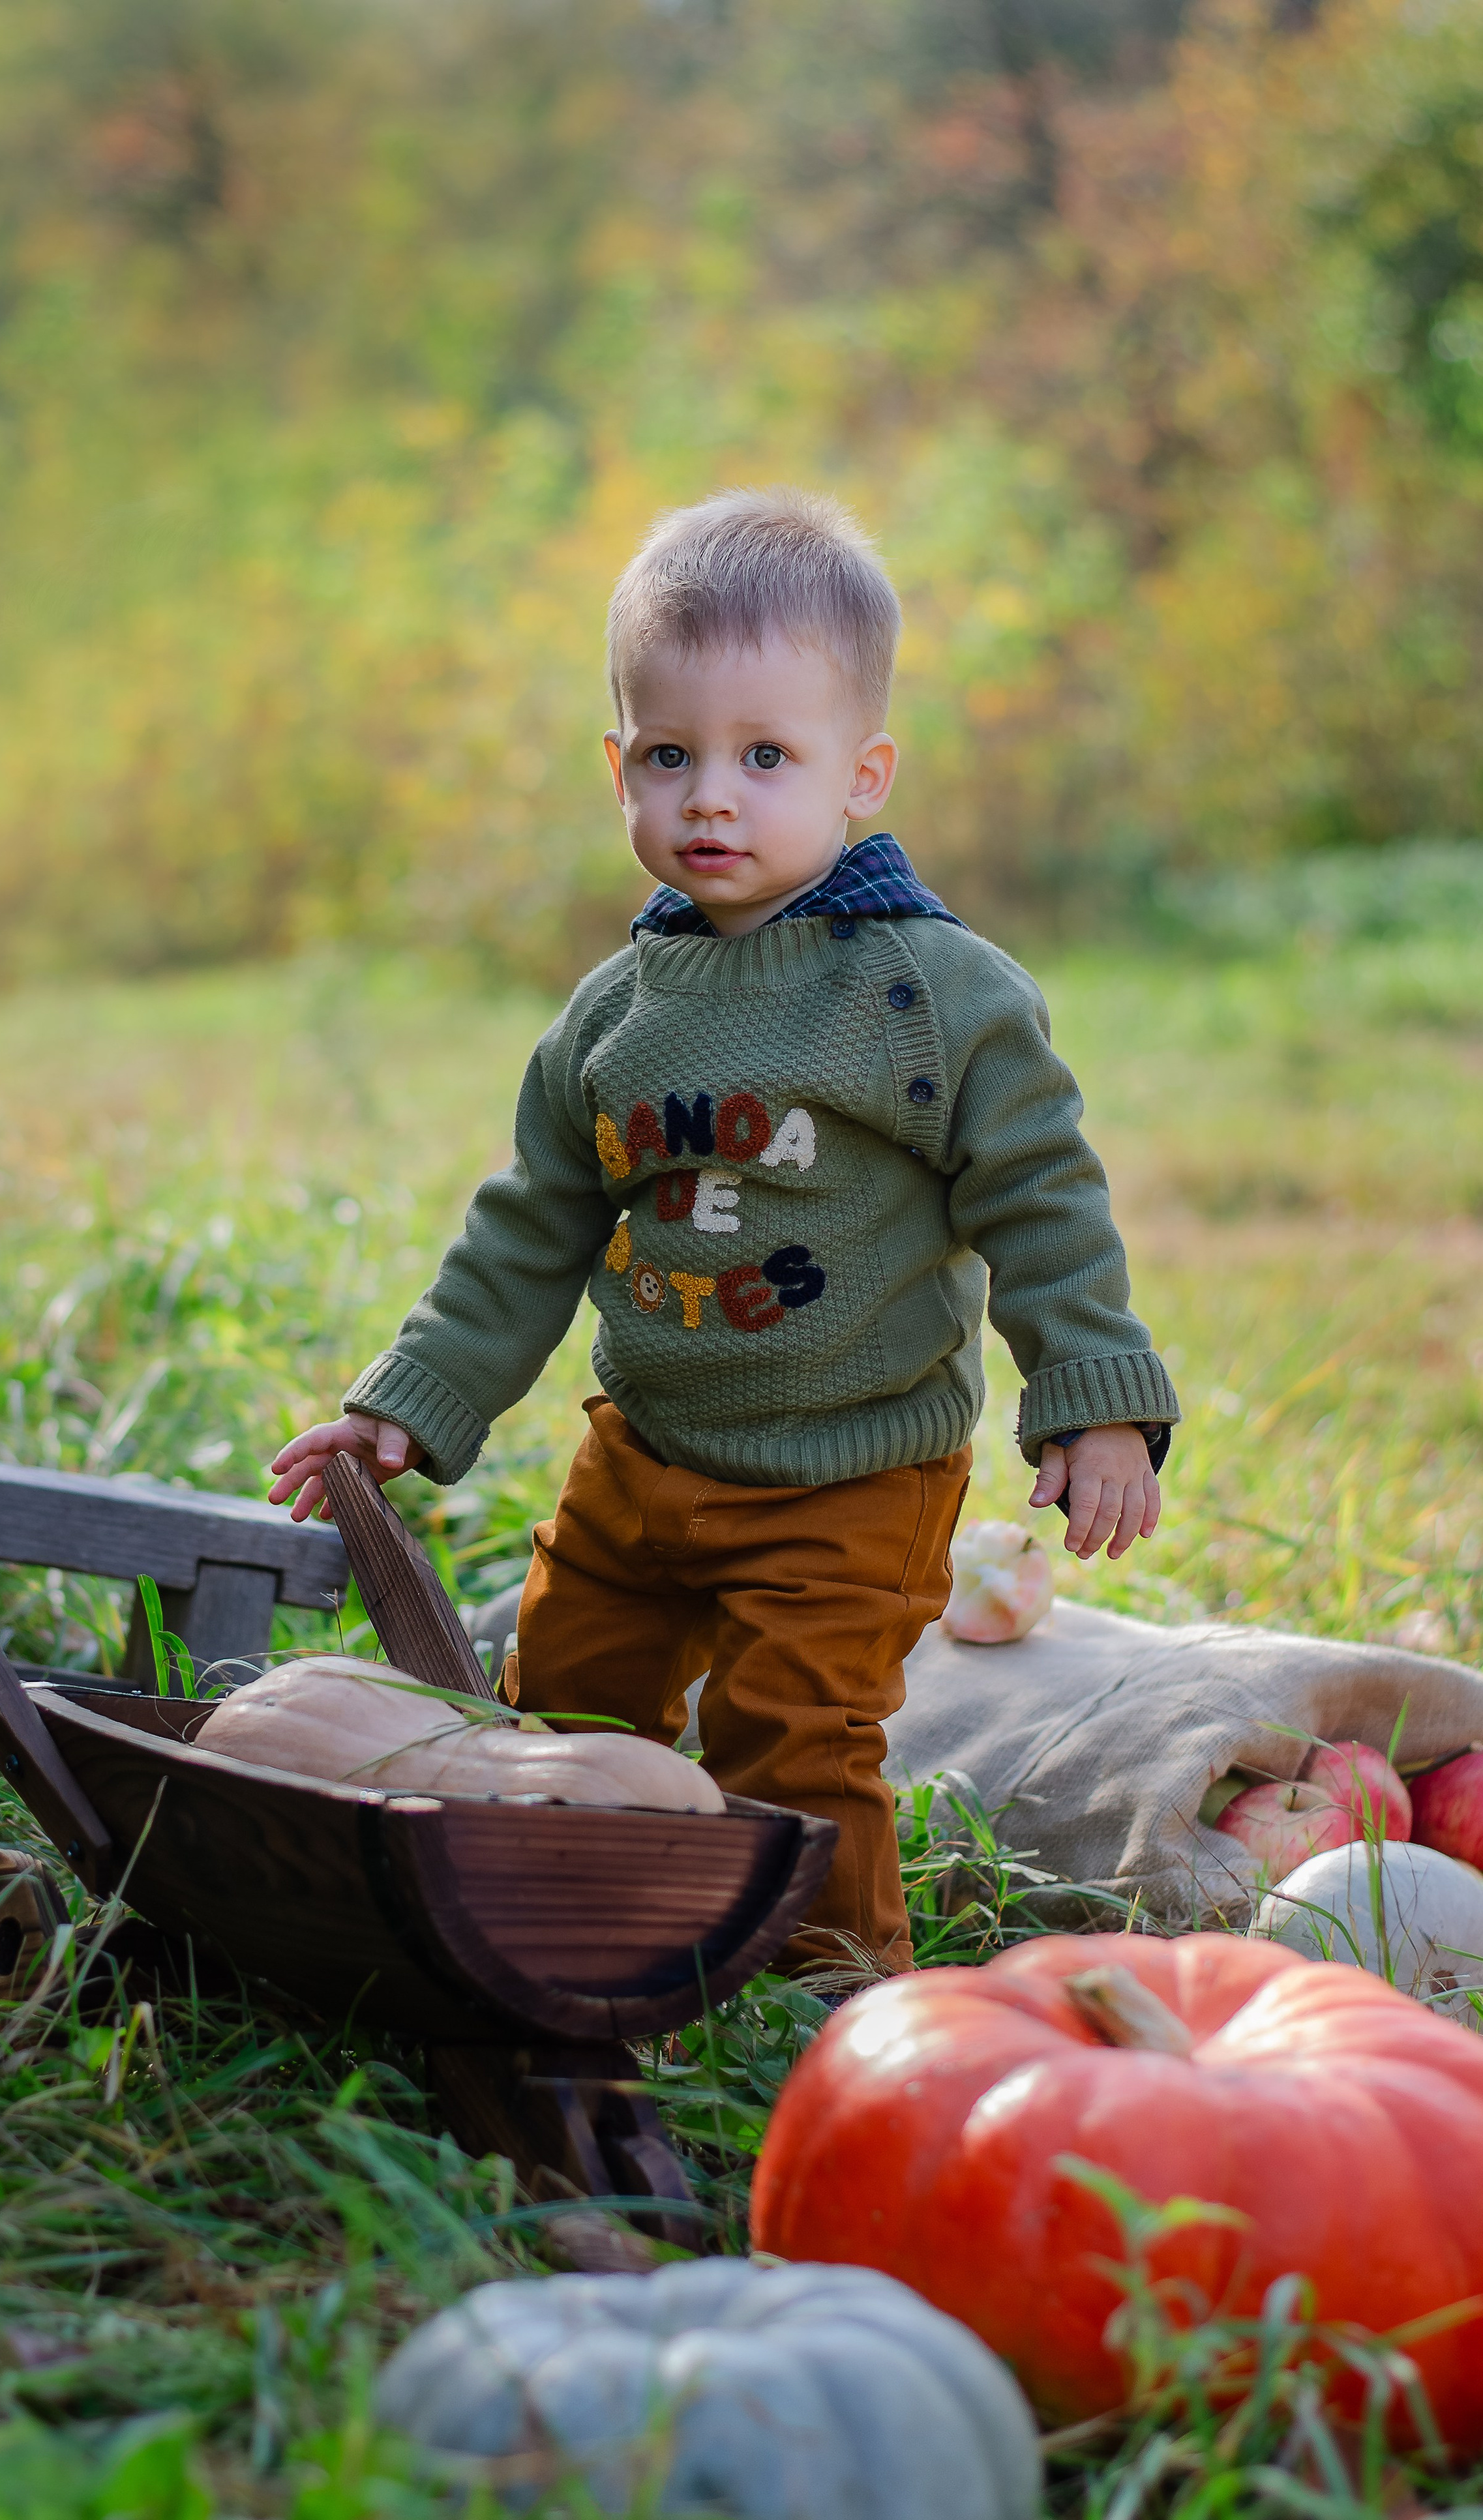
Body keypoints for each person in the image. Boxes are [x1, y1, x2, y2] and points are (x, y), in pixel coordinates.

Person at [270, 486, 1179, 1976]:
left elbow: (1041, 1199)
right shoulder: (614, 1016)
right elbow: (528, 1228)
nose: (711, 796)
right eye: (669, 755)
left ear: (860, 773)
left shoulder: (932, 994)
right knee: (559, 1699)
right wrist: (405, 1406)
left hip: (850, 1472)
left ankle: (830, 1988)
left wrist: (1094, 1407)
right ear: (615, 767)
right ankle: (592, 1922)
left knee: (793, 1740)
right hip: (642, 1455)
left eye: (766, 757)